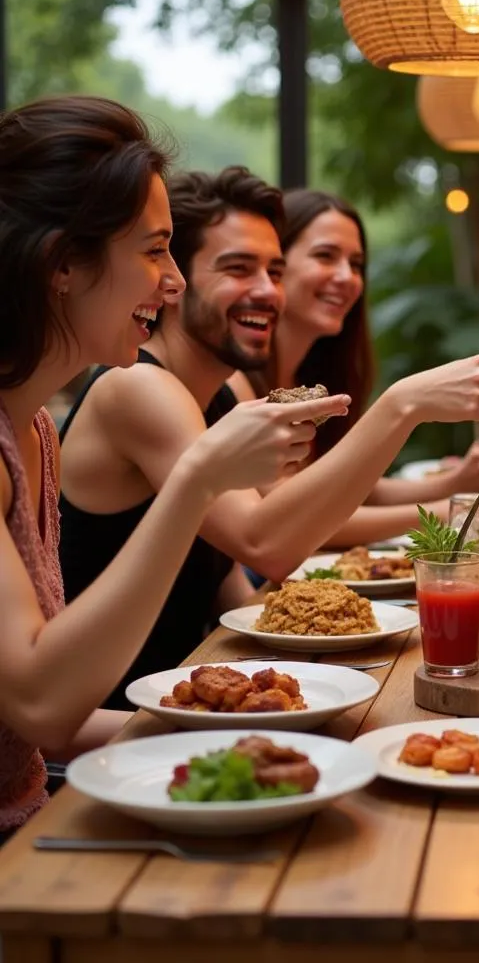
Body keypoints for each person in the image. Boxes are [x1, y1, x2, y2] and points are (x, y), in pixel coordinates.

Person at [58, 167, 479, 710]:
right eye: (238, 268)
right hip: (118, 728)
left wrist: (301, 641)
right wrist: (403, 406)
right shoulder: (137, 387)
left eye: (275, 271)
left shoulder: (213, 401)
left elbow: (234, 586)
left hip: (190, 700)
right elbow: (264, 543)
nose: (267, 291)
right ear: (175, 282)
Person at [0, 96, 346, 832]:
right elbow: (40, 703)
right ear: (64, 263)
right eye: (155, 251)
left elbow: (41, 734)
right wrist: (196, 481)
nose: (174, 282)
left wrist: (224, 731)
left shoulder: (34, 428)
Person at [230, 189, 479, 546]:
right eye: (325, 256)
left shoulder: (313, 376)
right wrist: (449, 508)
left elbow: (346, 483)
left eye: (356, 264)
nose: (346, 277)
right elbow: (296, 514)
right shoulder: (237, 384)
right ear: (276, 263)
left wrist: (452, 483)